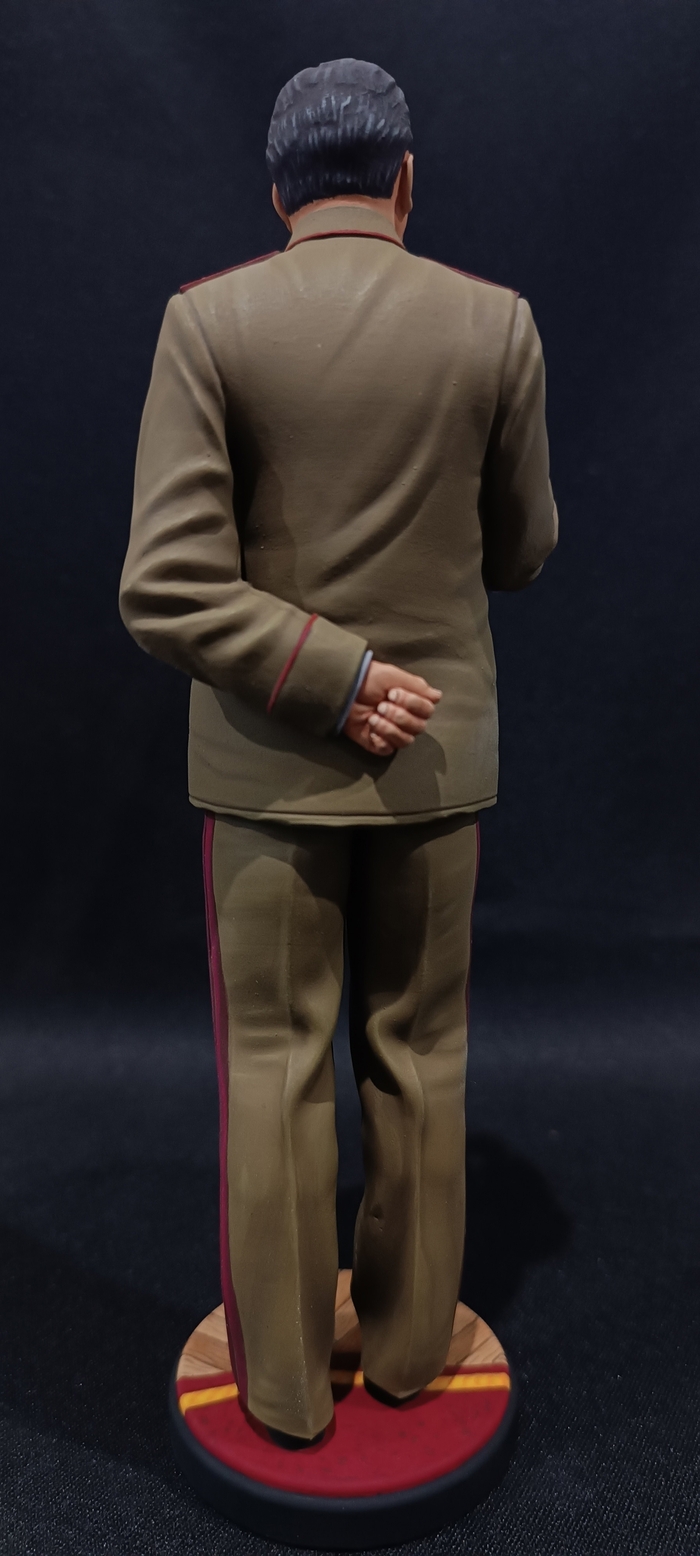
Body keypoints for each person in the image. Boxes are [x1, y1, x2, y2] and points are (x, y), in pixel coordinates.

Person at [119, 57, 557, 1447]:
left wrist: (320, 675)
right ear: (405, 180)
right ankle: (416, 1354)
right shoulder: (496, 324)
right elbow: (524, 551)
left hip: (266, 771)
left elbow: (166, 584)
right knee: (422, 1057)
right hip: (434, 767)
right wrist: (373, 669)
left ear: (279, 191)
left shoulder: (209, 324)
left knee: (273, 1065)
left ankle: (285, 1389)